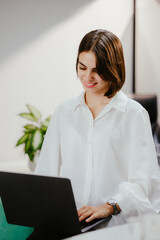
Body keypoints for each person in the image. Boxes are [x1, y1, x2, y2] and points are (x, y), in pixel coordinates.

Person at [28, 29, 160, 239]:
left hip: (114, 223)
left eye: (97, 70)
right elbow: (46, 173)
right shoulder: (64, 111)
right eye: (82, 67)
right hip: (69, 221)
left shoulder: (134, 115)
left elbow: (145, 183)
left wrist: (109, 206)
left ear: (113, 69)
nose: (87, 77)